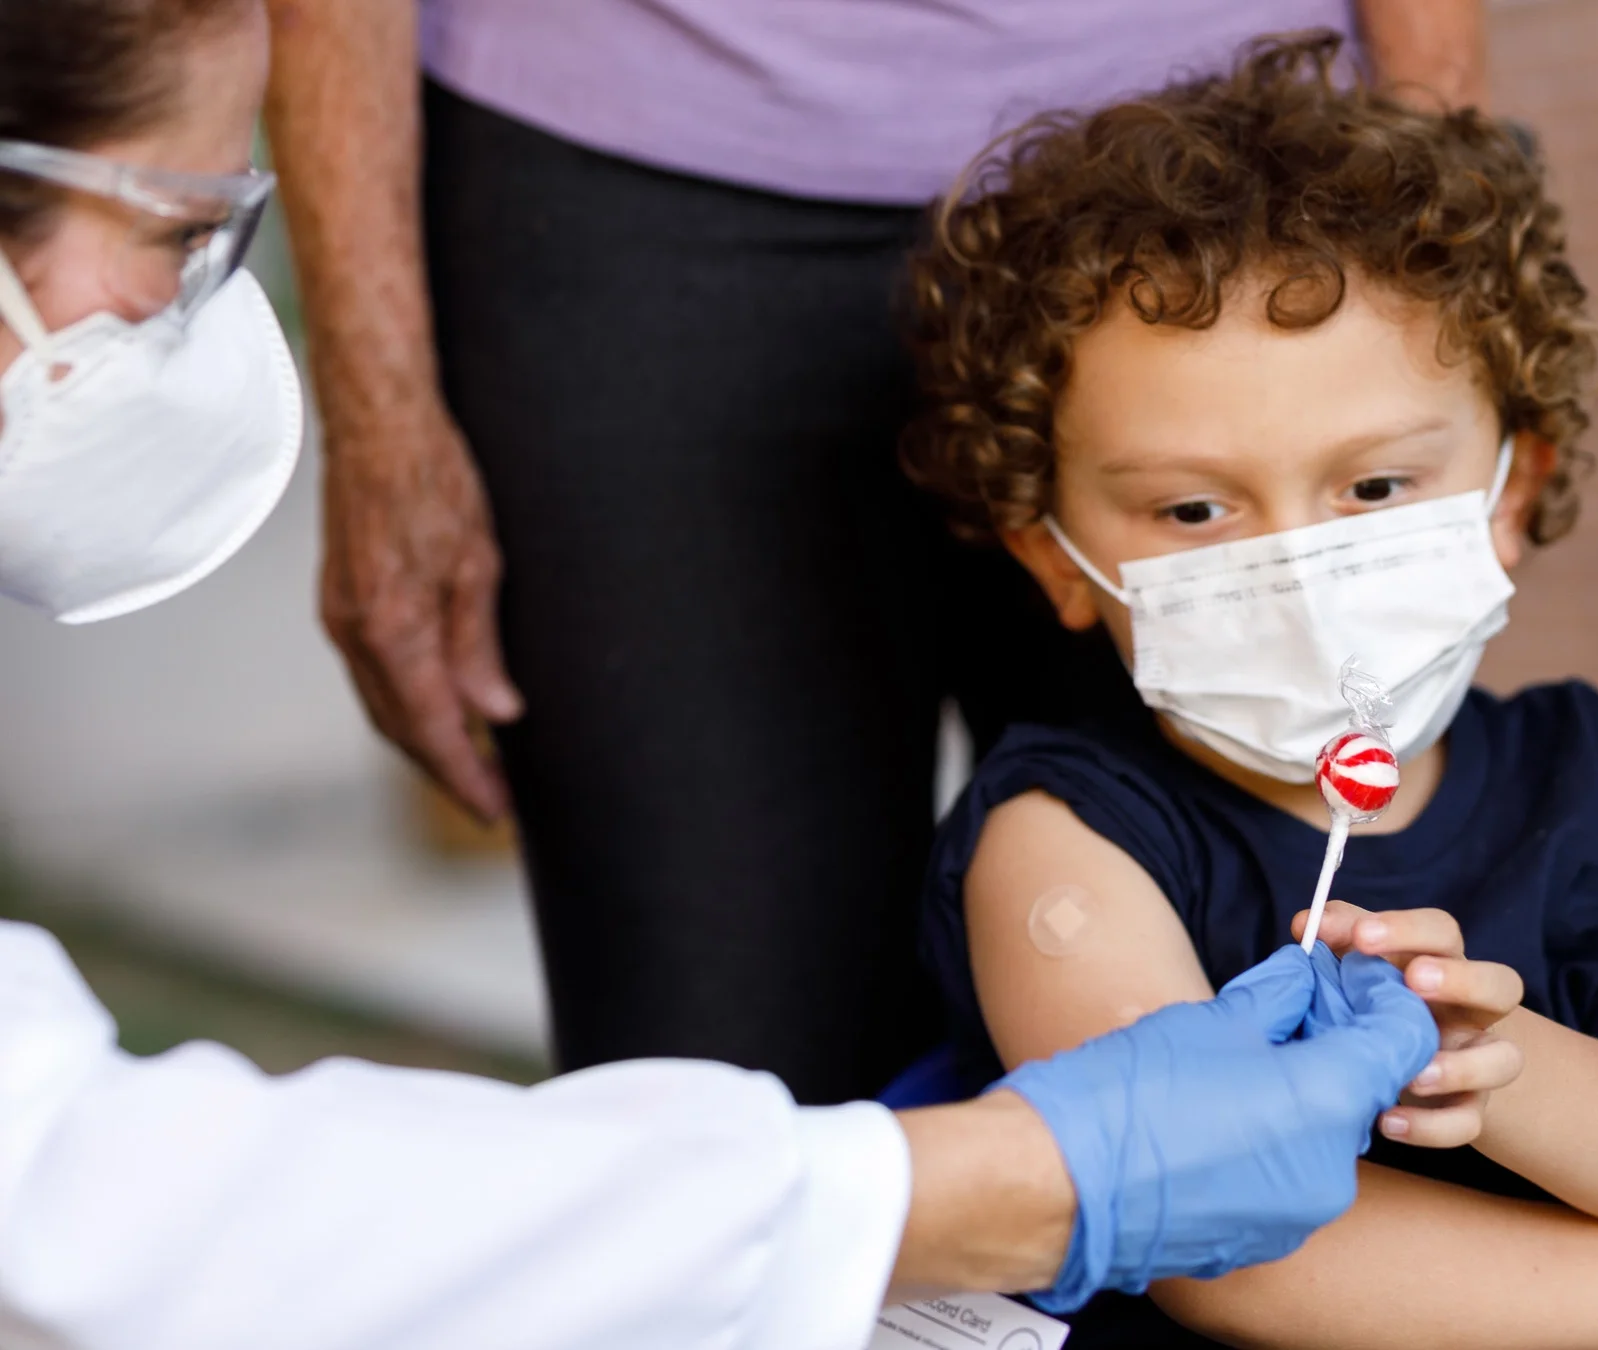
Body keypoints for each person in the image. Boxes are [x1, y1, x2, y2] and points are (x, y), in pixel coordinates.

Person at [0, 4, 1453, 1346]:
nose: (200, 319)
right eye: (185, 225)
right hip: (623, 161)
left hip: (1203, 129)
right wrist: (977, 1185)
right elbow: (81, 1189)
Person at [263, 0, 1494, 1106]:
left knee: (1297, 1027)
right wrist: (377, 415)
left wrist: (1449, 267)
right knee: (717, 1092)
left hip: (1216, 164)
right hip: (621, 167)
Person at [903, 34, 1598, 1349]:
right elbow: (1212, 1229)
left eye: (1374, 487)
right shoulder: (1065, 841)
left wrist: (1492, 1068)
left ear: (1511, 489)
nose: (1295, 566)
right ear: (1057, 555)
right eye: (1196, 505)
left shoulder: (1590, 774)